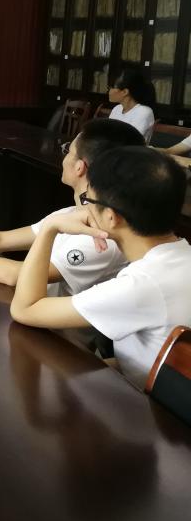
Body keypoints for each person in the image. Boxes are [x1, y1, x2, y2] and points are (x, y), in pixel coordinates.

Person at [10, 146, 191, 387]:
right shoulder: (180, 256)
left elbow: (25, 309)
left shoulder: (141, 285)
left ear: (111, 217)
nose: (84, 209)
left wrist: (49, 229)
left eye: (88, 200)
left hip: (146, 408)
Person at [0, 119, 145, 291]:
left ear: (79, 167)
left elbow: (16, 275)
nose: (64, 157)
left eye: (68, 151)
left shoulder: (101, 237)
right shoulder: (73, 213)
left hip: (58, 337)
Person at [106, 68, 156, 141]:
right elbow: (107, 134)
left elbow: (129, 140)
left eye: (112, 87)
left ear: (125, 92)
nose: (109, 91)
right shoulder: (117, 109)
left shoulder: (144, 112)